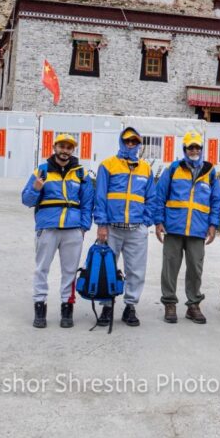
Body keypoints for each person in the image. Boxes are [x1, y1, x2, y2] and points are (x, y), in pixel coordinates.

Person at [22, 133, 93, 329]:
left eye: (69, 147)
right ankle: (40, 308)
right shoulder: (42, 171)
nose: (65, 151)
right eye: (61, 146)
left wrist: (83, 227)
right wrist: (36, 188)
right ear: (54, 148)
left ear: (73, 150)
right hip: (48, 228)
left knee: (70, 271)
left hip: (73, 230)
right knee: (41, 269)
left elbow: (88, 202)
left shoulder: (81, 174)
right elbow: (26, 200)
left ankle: (67, 310)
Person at [150, 131, 220, 325]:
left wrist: (213, 224)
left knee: (195, 269)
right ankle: (169, 303)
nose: (194, 151)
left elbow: (216, 200)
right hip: (174, 227)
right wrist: (158, 221)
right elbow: (160, 196)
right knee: (170, 267)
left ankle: (193, 305)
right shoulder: (173, 169)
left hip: (198, 228)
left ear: (201, 149)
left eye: (197, 147)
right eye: (190, 147)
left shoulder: (210, 171)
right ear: (184, 149)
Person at [94, 127, 156, 328]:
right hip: (111, 228)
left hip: (136, 229)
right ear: (121, 142)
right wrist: (102, 224)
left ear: (138, 144)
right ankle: (106, 306)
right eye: (127, 141)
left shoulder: (145, 169)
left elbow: (151, 198)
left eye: (134, 141)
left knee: (136, 271)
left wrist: (146, 222)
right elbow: (100, 196)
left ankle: (130, 306)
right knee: (106, 268)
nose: (130, 144)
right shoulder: (108, 165)